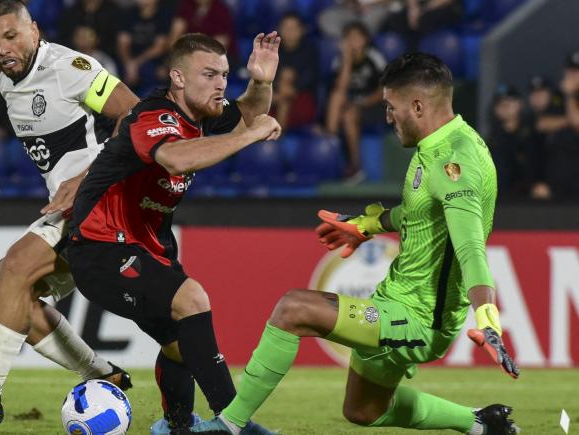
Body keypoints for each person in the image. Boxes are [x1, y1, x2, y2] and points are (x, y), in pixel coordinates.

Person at [192, 53, 520, 435]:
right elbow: (419, 213)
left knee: (293, 308)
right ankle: (480, 423)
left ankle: (228, 425)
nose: (387, 117)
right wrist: (367, 225)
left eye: (390, 106)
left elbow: (470, 248)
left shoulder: (455, 165)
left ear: (417, 105)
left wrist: (488, 319)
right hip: (395, 299)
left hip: (420, 319)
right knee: (363, 411)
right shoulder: (441, 146)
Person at [0, 1, 139, 433]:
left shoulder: (69, 68)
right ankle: (102, 375)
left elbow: (134, 116)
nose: (2, 48)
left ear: (34, 30)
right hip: (73, 209)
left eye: (11, 36)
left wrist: (86, 181)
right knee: (6, 296)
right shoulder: (6, 83)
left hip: (104, 200)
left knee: (17, 267)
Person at [67, 32, 281, 435]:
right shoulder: (154, 115)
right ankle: (235, 425)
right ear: (178, 78)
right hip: (100, 247)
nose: (220, 83)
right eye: (209, 74)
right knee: (192, 299)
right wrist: (247, 136)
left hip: (146, 247)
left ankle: (176, 427)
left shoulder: (201, 116)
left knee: (183, 348)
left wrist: (262, 83)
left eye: (223, 75)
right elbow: (175, 158)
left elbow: (250, 113)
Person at [324, 21, 386, 182]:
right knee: (337, 97)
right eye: (349, 38)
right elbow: (340, 88)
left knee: (349, 115)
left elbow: (385, 89)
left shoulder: (374, 56)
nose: (354, 41)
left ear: (365, 39)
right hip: (348, 103)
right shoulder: (340, 60)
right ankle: (331, 140)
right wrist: (347, 61)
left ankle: (355, 165)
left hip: (373, 104)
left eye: (357, 37)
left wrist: (362, 103)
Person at [271, 12, 319, 131]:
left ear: (302, 30)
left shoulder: (310, 50)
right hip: (273, 97)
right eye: (286, 27)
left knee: (284, 100)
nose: (289, 31)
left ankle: (277, 143)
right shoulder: (271, 50)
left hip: (301, 98)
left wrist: (291, 88)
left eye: (293, 27)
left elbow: (311, 77)